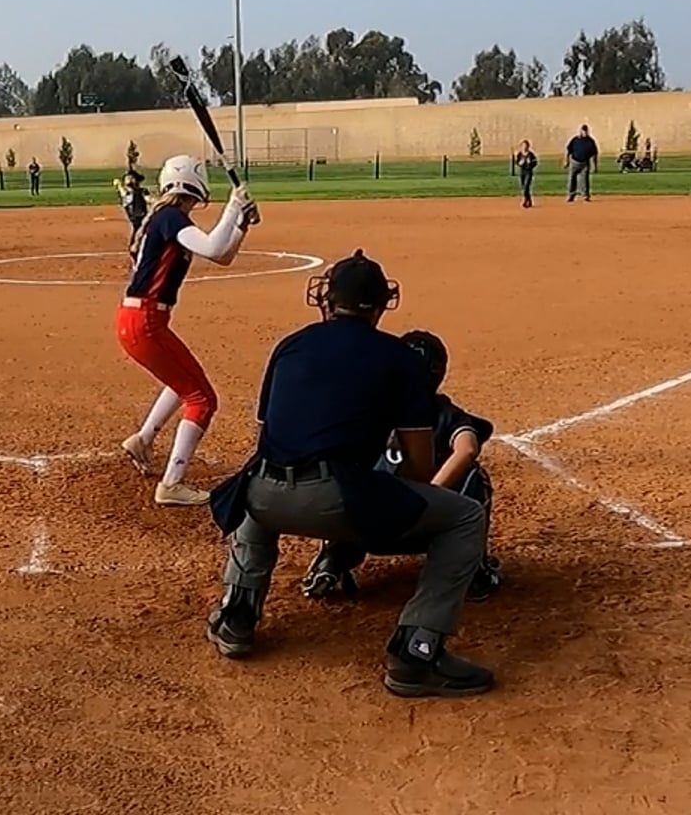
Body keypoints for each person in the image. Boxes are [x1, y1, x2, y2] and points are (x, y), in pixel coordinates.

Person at [204, 251, 494, 698]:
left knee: (259, 481)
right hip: (336, 498)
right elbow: (418, 469)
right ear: (381, 304)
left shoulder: (291, 345)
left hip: (260, 496)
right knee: (465, 517)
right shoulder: (399, 358)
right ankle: (417, 653)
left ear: (326, 299)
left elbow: (267, 435)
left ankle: (236, 615)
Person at [300, 329, 504, 604]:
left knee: (342, 470)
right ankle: (473, 571)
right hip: (422, 526)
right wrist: (430, 497)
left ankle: (332, 558)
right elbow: (467, 449)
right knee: (476, 477)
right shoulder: (444, 413)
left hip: (362, 528)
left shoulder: (363, 409)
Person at [117, 154, 257, 507]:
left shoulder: (166, 217)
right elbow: (213, 247)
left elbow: (223, 255)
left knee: (182, 381)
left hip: (141, 320)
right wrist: (233, 205)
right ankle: (172, 484)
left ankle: (143, 440)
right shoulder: (170, 217)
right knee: (202, 399)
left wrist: (240, 223)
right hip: (144, 321)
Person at [565, 125, 598, 202]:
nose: (585, 132)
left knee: (585, 180)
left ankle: (585, 196)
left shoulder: (590, 141)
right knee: (572, 179)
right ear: (580, 131)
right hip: (574, 162)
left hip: (585, 163)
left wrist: (595, 165)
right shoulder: (575, 140)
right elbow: (568, 151)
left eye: (586, 131)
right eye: (583, 131)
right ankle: (571, 195)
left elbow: (594, 153)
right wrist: (567, 161)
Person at [116, 169, 149, 244]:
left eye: (131, 178)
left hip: (139, 214)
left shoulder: (141, 191)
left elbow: (148, 198)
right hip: (136, 214)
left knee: (139, 229)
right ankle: (135, 245)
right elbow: (125, 193)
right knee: (140, 229)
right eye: (128, 178)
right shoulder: (128, 192)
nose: (129, 179)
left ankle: (135, 244)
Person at [513, 141, 538, 208]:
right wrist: (520, 163)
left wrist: (530, 163)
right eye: (523, 146)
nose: (524, 147)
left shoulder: (531, 154)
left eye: (526, 146)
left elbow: (535, 163)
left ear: (528, 146)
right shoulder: (520, 154)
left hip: (528, 172)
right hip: (522, 172)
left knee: (526, 187)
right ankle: (529, 200)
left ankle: (525, 201)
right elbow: (517, 162)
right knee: (523, 187)